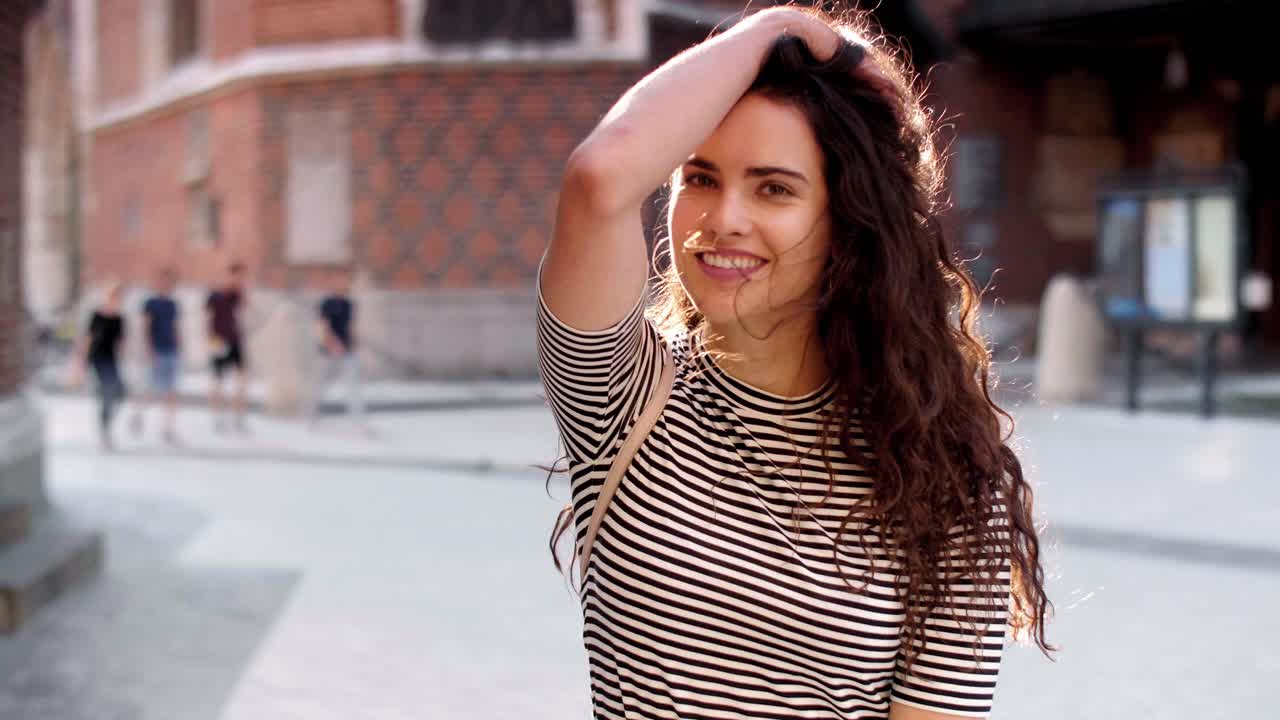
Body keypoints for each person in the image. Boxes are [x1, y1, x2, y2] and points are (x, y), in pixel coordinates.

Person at [536, 7, 1052, 719]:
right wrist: (776, 28)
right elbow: (599, 177)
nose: (725, 219)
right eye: (702, 178)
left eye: (773, 187)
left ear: (852, 220)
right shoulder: (625, 396)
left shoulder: (953, 473)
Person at [71, 281, 127, 450]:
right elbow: (88, 338)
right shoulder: (97, 315)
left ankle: (106, 420)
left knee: (120, 392)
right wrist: (80, 361)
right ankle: (104, 428)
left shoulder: (119, 318)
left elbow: (120, 343)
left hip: (111, 360)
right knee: (108, 389)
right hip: (97, 358)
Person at [305, 274, 366, 427]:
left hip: (347, 350)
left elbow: (351, 326)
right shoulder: (327, 303)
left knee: (353, 385)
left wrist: (355, 342)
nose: (343, 284)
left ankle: (358, 421)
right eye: (340, 281)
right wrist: (331, 342)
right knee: (319, 384)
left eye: (346, 281)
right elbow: (322, 325)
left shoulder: (349, 303)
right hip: (328, 351)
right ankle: (310, 417)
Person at [130, 267, 182, 443]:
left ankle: (169, 428)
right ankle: (138, 413)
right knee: (152, 389)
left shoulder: (173, 304)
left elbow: (175, 327)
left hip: (171, 351)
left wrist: (180, 348)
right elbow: (145, 327)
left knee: (172, 391)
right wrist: (148, 349)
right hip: (156, 351)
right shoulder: (150, 303)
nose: (165, 284)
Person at [207, 261, 249, 433]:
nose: (239, 279)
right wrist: (210, 342)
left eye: (241, 276)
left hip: (235, 341)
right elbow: (207, 319)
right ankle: (217, 418)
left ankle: (238, 418)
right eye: (236, 276)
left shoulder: (238, 295)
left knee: (242, 380)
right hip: (218, 341)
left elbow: (244, 315)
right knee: (218, 380)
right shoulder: (215, 295)